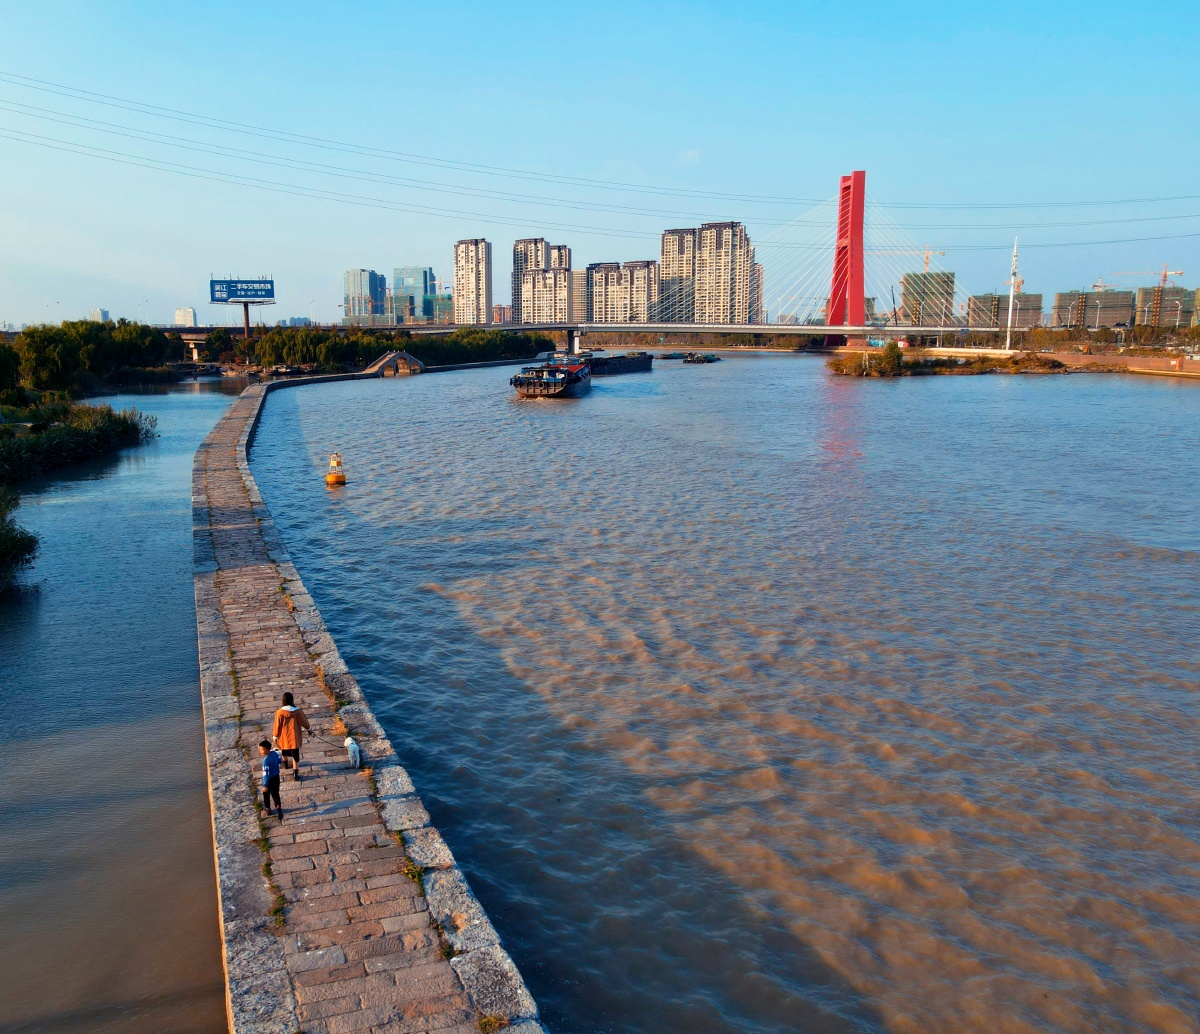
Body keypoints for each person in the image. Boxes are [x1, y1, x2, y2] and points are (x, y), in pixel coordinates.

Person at [273, 691, 311, 782]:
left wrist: (275, 736)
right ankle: (295, 774)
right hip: (295, 738)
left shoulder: (279, 713)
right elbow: (304, 722)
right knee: (295, 756)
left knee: (284, 751)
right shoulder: (298, 711)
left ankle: (285, 764)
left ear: (283, 701)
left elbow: (277, 725)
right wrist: (309, 729)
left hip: (284, 737)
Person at [259, 740, 283, 821]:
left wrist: (265, 785)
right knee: (276, 794)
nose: (260, 751)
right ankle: (278, 808)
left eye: (262, 750)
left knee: (266, 794)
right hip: (276, 777)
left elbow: (265, 774)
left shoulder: (265, 761)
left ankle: (268, 808)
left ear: (267, 750)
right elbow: (280, 761)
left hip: (269, 780)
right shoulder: (274, 753)